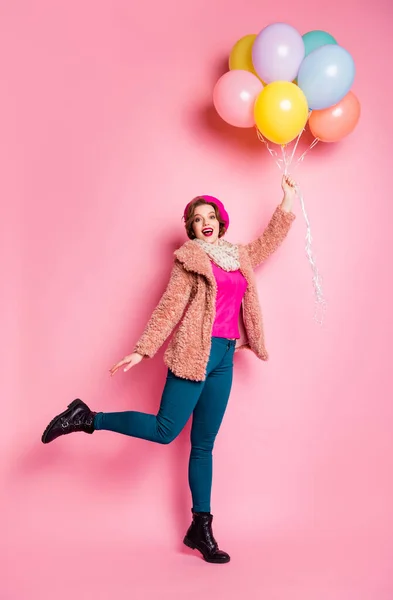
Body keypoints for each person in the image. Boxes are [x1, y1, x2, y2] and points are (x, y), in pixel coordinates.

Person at [41, 174, 297, 564]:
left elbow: (268, 242)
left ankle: (201, 528)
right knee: (165, 430)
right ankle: (87, 416)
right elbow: (170, 306)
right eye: (197, 218)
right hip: (195, 353)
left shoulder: (238, 255)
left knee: (203, 445)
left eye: (211, 215)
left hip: (225, 356)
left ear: (221, 221)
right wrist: (142, 351)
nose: (205, 221)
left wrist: (288, 202)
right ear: (191, 228)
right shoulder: (190, 260)